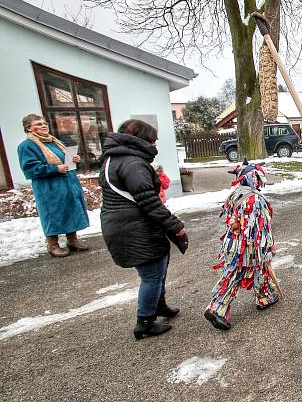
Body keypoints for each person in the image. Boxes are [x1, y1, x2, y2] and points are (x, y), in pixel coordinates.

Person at [99, 119, 184, 340]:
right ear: (142, 140)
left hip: (125, 225)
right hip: (134, 227)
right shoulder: (132, 164)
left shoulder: (115, 159)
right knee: (152, 275)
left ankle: (158, 305)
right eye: (153, 141)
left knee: (157, 267)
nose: (155, 146)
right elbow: (149, 201)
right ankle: (145, 321)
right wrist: (175, 225)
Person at [205, 161, 280, 330]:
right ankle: (216, 309)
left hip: (234, 244)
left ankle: (264, 297)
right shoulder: (256, 199)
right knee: (241, 274)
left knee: (251, 272)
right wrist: (268, 247)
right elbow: (260, 229)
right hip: (250, 248)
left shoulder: (234, 195)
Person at [17, 114, 90, 258]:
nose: (44, 125)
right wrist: (55, 169)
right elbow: (30, 169)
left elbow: (66, 162)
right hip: (48, 187)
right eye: (38, 124)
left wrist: (74, 159)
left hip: (68, 182)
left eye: (45, 123)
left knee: (71, 208)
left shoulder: (56, 142)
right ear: (29, 129)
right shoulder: (27, 146)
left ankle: (72, 240)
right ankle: (52, 244)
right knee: (52, 213)